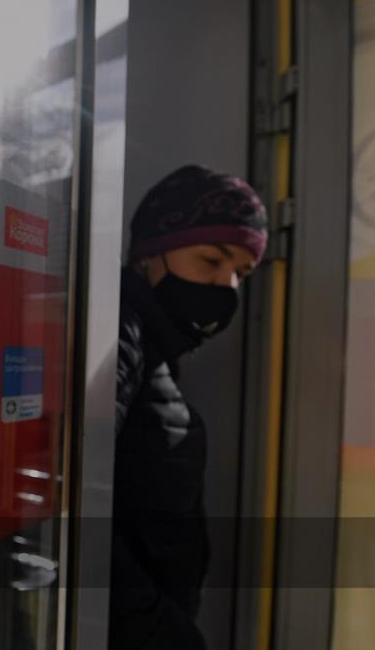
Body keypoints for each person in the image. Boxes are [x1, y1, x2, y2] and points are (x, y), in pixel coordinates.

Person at [109, 165, 268, 649]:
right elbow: (69, 507)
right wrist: (166, 635)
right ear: (149, 255)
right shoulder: (117, 335)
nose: (227, 285)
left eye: (241, 273)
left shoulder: (151, 350)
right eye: (210, 259)